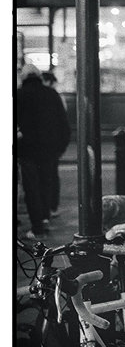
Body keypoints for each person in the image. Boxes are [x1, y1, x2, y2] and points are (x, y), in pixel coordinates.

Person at [17, 64, 71, 240]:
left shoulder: (18, 95)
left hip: (27, 149)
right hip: (49, 149)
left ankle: (38, 228)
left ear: (24, 77)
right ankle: (45, 218)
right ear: (39, 76)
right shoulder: (51, 94)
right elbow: (63, 123)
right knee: (45, 184)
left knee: (31, 188)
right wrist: (60, 147)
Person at [39, 70, 69, 218]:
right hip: (53, 143)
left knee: (50, 175)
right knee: (50, 175)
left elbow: (61, 121)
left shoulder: (52, 95)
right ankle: (51, 205)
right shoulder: (52, 95)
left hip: (50, 143)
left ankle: (51, 205)